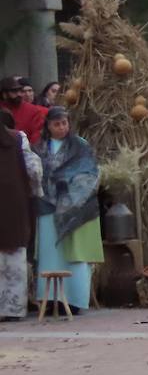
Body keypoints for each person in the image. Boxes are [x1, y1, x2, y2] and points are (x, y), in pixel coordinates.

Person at [35, 107, 102, 314]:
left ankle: (74, 301)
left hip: (77, 208)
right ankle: (50, 300)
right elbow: (36, 175)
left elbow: (90, 173)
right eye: (57, 124)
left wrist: (70, 194)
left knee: (75, 254)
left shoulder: (80, 146)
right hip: (47, 206)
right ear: (48, 125)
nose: (62, 127)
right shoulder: (39, 148)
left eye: (64, 123)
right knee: (49, 253)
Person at [0, 111, 38, 321]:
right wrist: (35, 191)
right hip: (15, 203)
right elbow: (34, 170)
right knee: (13, 258)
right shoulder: (18, 139)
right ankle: (12, 309)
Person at [1, 75, 47, 147]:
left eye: (20, 90)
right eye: (14, 91)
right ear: (4, 94)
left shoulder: (33, 110)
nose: (19, 94)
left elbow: (37, 137)